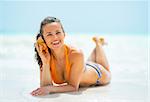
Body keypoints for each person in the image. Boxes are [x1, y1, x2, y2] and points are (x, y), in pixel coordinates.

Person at [31, 17, 111, 96]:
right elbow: (45, 87)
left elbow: (73, 87)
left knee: (107, 71)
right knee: (88, 61)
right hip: (81, 67)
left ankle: (98, 43)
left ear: (64, 34)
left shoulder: (76, 53)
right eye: (49, 34)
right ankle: (98, 43)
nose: (55, 37)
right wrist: (45, 62)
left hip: (98, 74)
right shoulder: (45, 55)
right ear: (43, 39)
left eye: (58, 32)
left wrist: (50, 89)